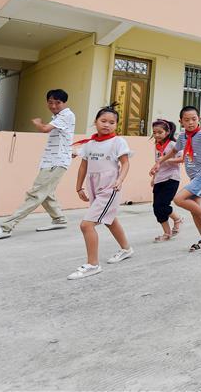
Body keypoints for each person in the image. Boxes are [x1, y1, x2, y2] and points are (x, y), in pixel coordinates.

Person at [0, 89, 76, 241]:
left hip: (56, 162)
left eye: (58, 102)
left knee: (36, 194)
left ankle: (6, 228)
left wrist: (38, 123)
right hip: (52, 160)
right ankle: (59, 220)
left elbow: (45, 129)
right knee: (46, 193)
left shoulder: (66, 115)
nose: (53, 105)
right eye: (50, 102)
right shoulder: (59, 116)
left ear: (64, 103)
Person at [67, 104, 134, 280]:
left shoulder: (118, 142)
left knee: (86, 225)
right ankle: (126, 249)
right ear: (95, 122)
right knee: (109, 220)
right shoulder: (89, 144)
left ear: (116, 125)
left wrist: (119, 181)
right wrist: (79, 187)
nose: (107, 125)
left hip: (110, 186)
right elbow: (83, 166)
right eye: (103, 121)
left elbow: (125, 163)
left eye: (112, 122)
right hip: (93, 185)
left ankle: (93, 264)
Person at [152, 106, 201, 252]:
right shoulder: (183, 137)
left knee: (178, 199)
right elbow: (174, 151)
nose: (190, 122)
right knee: (194, 210)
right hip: (194, 176)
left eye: (194, 119)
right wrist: (159, 161)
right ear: (181, 122)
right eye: (186, 120)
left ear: (199, 120)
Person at [150, 119, 183, 242]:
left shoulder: (172, 145)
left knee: (162, 206)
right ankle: (177, 219)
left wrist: (167, 160)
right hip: (159, 179)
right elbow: (157, 163)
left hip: (172, 178)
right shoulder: (157, 146)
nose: (157, 135)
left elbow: (183, 158)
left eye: (160, 132)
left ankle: (167, 233)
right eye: (154, 132)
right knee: (156, 207)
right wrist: (154, 177)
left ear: (167, 132)